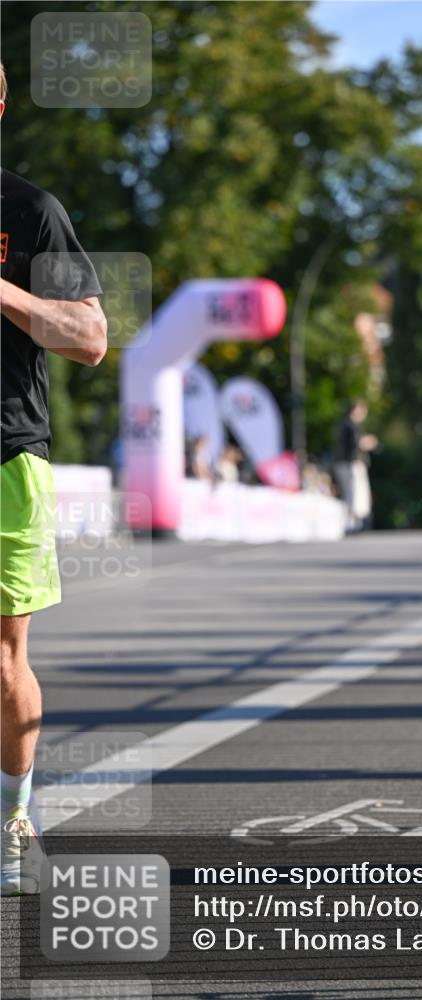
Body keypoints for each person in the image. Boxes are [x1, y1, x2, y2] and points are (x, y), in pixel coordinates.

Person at [1, 63, 107, 894]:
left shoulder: (31, 211)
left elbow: (88, 337)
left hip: (6, 455)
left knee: (4, 664)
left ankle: (12, 816)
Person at [334, 400, 377, 532]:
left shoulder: (348, 425)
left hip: (348, 463)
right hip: (350, 464)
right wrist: (368, 442)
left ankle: (353, 521)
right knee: (352, 493)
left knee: (353, 493)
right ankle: (351, 522)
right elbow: (355, 444)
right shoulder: (350, 426)